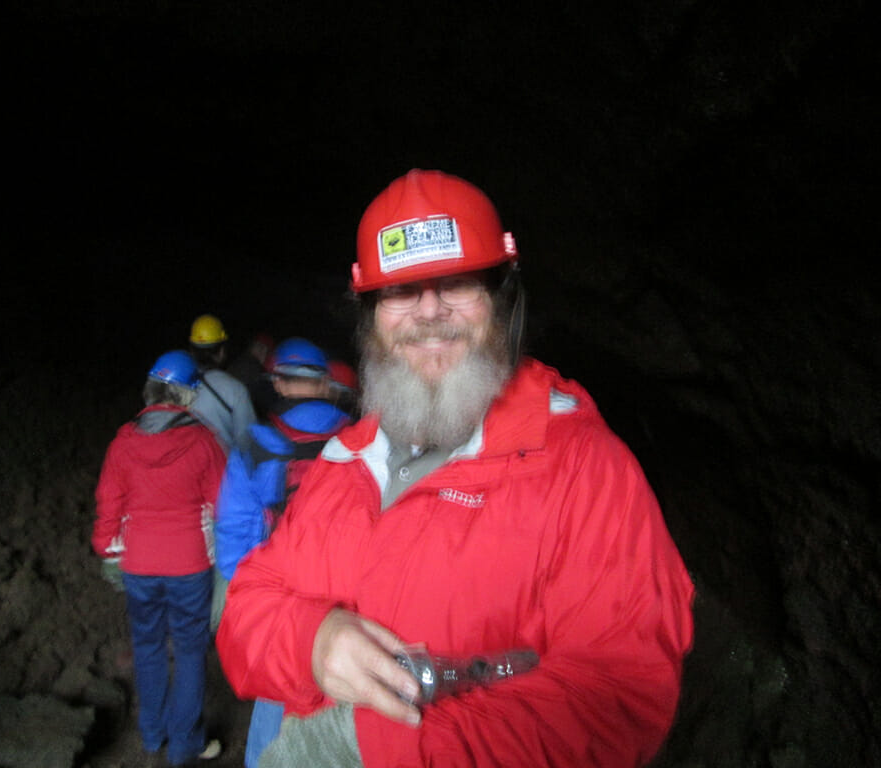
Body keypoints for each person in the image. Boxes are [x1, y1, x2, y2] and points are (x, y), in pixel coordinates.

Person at [215, 169, 694, 768]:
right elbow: (246, 611)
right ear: (371, 316)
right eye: (400, 291)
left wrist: (377, 749)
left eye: (458, 283)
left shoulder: (582, 470)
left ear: (500, 301)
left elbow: (620, 699)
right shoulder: (347, 461)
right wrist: (313, 641)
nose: (429, 312)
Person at [213, 337, 353, 768]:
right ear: (324, 382)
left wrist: (251, 593)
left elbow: (234, 534)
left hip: (283, 596)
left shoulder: (258, 443)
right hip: (349, 594)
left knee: (275, 708)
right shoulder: (360, 437)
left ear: (281, 383)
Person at [92, 350, 225, 766]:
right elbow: (220, 502)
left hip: (139, 566)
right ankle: (185, 744)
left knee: (147, 647)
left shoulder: (123, 441)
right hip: (189, 566)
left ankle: (152, 736)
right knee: (189, 651)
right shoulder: (203, 440)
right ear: (184, 394)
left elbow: (108, 503)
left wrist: (106, 549)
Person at [188, 314, 258, 454]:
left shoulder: (177, 384)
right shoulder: (236, 389)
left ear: (192, 350)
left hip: (185, 468)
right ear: (221, 351)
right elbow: (247, 440)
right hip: (222, 469)